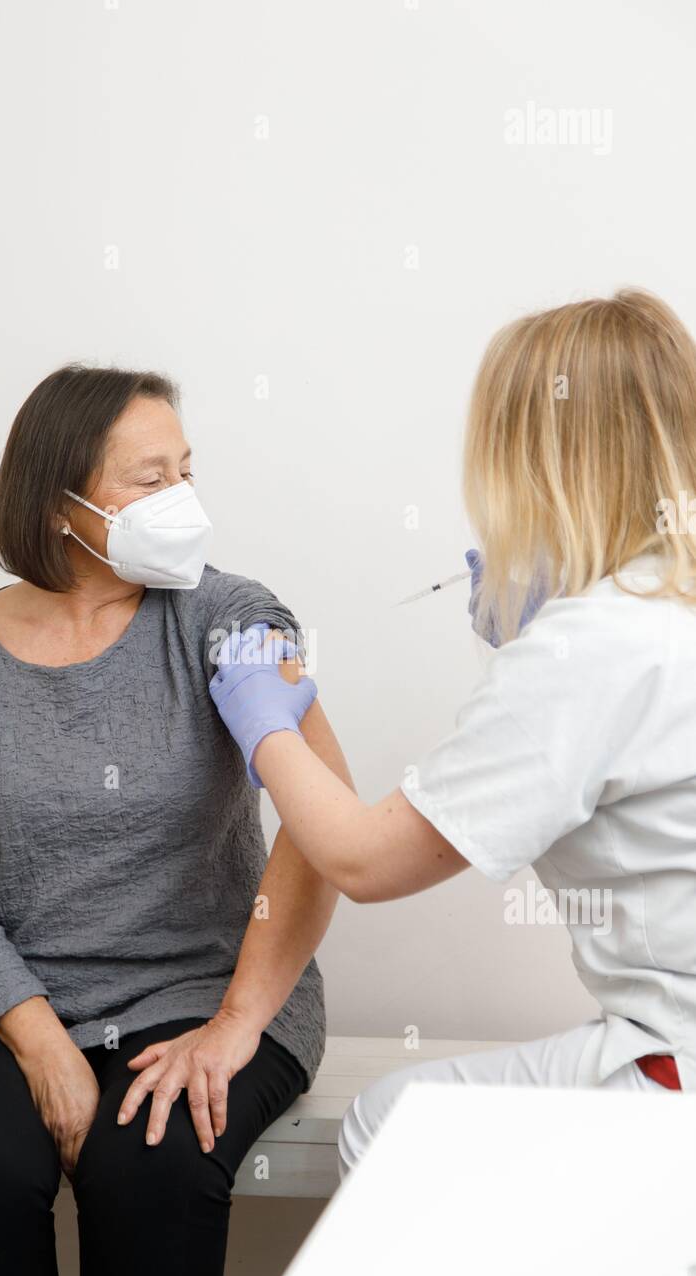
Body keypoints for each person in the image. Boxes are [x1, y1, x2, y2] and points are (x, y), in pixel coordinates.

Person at [0, 365, 352, 1276]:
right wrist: (45, 1045)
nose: (182, 498)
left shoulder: (233, 619)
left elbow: (324, 821)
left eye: (187, 470)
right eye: (150, 479)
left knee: (152, 1173)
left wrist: (231, 1025)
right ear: (58, 502)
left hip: (201, 987)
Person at [209, 289, 696, 1181]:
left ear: (540, 458)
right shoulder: (653, 609)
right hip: (669, 1042)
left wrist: (263, 721)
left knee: (393, 1133)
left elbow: (363, 861)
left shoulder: (591, 646)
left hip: (679, 1077)